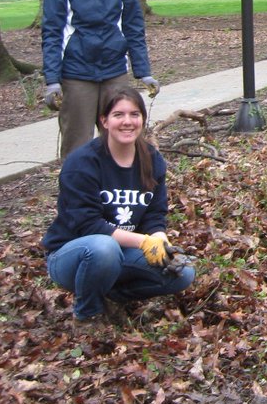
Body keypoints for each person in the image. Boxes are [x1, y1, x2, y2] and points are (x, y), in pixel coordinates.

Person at [43, 85, 195, 324]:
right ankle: (87, 314)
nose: (127, 122)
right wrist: (144, 242)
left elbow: (155, 214)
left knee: (183, 272)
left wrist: (160, 240)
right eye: (118, 115)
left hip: (123, 251)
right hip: (73, 255)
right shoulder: (82, 163)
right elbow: (88, 226)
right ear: (104, 121)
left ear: (143, 120)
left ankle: (112, 297)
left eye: (134, 114)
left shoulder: (152, 159)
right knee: (104, 248)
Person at [41, 0, 159, 159]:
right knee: (78, 147)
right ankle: (77, 196)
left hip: (114, 71)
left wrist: (143, 71)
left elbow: (133, 26)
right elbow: (52, 32)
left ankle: (117, 192)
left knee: (122, 140)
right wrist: (52, 80)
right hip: (76, 75)